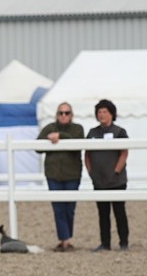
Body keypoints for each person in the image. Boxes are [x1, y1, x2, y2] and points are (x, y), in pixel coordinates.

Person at [36, 102, 84, 251]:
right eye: (61, 113)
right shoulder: (49, 128)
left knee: (70, 208)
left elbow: (78, 144)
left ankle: (66, 238)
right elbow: (37, 147)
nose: (63, 116)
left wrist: (60, 137)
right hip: (53, 175)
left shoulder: (78, 129)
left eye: (66, 113)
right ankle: (65, 240)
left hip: (72, 175)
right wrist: (48, 141)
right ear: (56, 115)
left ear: (72, 115)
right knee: (58, 208)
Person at [85, 99, 130, 251]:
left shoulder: (119, 132)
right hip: (99, 180)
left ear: (112, 114)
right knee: (103, 213)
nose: (102, 115)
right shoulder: (92, 133)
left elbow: (124, 153)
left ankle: (124, 242)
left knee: (119, 212)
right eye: (99, 112)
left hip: (116, 180)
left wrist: (116, 171)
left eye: (105, 112)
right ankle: (105, 243)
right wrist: (91, 172)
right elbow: (87, 154)